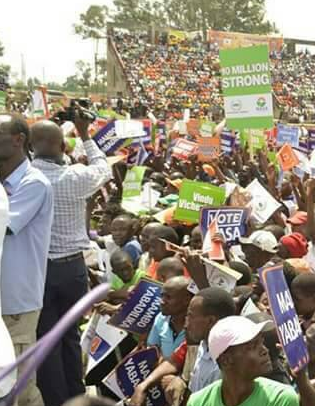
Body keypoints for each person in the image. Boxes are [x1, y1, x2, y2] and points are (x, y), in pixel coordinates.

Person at [32, 115, 112, 405]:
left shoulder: (26, 178)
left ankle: (56, 401)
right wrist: (84, 132)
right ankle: (76, 398)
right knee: (69, 337)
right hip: (72, 271)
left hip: (39, 271)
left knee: (46, 341)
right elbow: (104, 168)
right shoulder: (76, 177)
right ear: (63, 145)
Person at [0, 113, 53, 406]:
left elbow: (4, 225)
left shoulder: (34, 183)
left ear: (18, 140)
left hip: (16, 303)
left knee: (18, 387)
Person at [130, 287, 236, 406]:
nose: (186, 323)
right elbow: (174, 361)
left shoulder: (228, 364)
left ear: (211, 321)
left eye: (190, 316)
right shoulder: (201, 344)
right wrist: (142, 387)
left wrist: (183, 391)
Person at [186, 315, 299, 406]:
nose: (265, 350)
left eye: (261, 342)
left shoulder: (281, 398)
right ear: (226, 360)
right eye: (253, 346)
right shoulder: (198, 402)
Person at [146, 276, 193, 358]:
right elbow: (152, 350)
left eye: (168, 297)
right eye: (162, 296)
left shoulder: (197, 324)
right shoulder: (160, 319)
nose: (162, 302)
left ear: (186, 300)